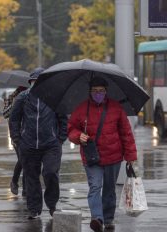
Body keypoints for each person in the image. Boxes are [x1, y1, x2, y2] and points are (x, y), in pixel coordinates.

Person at [67, 76, 137, 232]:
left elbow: (126, 133)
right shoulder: (81, 109)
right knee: (95, 187)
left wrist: (131, 157)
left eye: (101, 91)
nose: (98, 93)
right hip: (92, 157)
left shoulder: (116, 107)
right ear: (90, 92)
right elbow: (71, 129)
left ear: (106, 91)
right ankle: (97, 218)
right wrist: (78, 136)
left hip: (113, 156)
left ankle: (108, 219)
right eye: (95, 91)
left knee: (109, 189)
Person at [9, 67, 68, 219]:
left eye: (39, 81)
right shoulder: (23, 97)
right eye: (34, 82)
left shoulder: (55, 98)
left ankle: (52, 205)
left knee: (50, 173)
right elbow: (14, 118)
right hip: (28, 144)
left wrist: (60, 138)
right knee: (31, 177)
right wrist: (17, 139)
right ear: (30, 82)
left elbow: (63, 120)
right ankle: (34, 209)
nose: (37, 84)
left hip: (51, 144)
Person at [2, 86, 28, 196]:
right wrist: (16, 104)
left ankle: (26, 189)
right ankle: (14, 181)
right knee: (23, 160)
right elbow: (5, 114)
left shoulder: (31, 97)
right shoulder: (12, 99)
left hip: (28, 134)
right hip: (16, 134)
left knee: (27, 161)